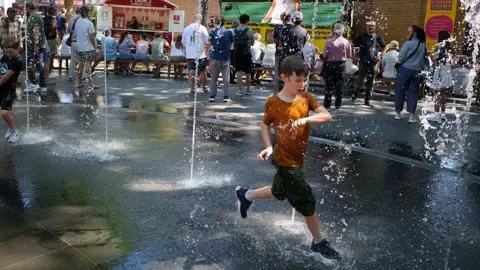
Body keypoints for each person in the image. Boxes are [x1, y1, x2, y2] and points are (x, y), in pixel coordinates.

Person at [235, 55, 341, 261]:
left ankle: (245, 195)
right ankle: (319, 242)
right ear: (284, 77)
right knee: (306, 198)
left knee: (279, 191)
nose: (302, 85)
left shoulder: (306, 98)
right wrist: (268, 146)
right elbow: (265, 124)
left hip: (297, 157)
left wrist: (305, 119)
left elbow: (327, 116)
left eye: (304, 80)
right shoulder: (273, 102)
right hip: (285, 159)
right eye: (297, 81)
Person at [394, 25, 428, 123]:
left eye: (409, 31)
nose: (407, 33)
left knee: (400, 91)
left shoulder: (408, 44)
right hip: (417, 71)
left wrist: (399, 62)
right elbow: (424, 59)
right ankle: (411, 115)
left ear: (415, 33)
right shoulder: (423, 45)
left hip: (405, 69)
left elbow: (400, 57)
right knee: (413, 93)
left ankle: (398, 113)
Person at [351, 21, 386, 106]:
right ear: (366, 27)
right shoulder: (362, 36)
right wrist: (354, 57)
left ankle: (367, 101)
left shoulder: (378, 37)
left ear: (375, 27)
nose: (370, 28)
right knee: (360, 80)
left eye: (372, 26)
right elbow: (351, 44)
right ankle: (354, 97)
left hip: (373, 63)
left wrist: (380, 56)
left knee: (370, 82)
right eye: (369, 26)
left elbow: (385, 46)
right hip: (363, 62)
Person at [425, 30, 454, 122]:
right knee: (443, 95)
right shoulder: (450, 48)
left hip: (439, 73)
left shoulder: (439, 47)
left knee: (437, 94)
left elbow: (435, 59)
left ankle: (436, 114)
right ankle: (443, 114)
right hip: (447, 73)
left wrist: (432, 57)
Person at [322, 22, 352, 109]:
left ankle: (327, 104)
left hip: (330, 65)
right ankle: (338, 104)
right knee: (339, 85)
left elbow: (324, 55)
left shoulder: (329, 42)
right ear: (342, 31)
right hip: (341, 65)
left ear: (334, 31)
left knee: (329, 85)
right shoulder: (346, 42)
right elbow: (349, 54)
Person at [1, 41, 23, 143]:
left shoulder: (18, 62)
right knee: (3, 113)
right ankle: (10, 129)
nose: (8, 55)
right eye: (6, 52)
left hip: (8, 89)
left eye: (10, 52)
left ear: (17, 49)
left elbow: (6, 77)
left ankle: (14, 131)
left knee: (4, 112)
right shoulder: (5, 57)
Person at [182, 13, 209, 94]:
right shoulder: (202, 28)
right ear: (200, 19)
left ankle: (192, 88)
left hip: (190, 54)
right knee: (203, 71)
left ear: (193, 19)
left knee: (191, 71)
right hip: (200, 54)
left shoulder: (186, 28)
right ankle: (204, 87)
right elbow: (207, 40)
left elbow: (183, 42)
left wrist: (189, 47)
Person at [208, 15, 233, 103]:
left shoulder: (212, 32)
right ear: (224, 22)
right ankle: (225, 96)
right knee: (226, 78)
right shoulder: (228, 32)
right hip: (225, 57)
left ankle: (212, 96)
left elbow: (210, 44)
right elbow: (231, 44)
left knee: (213, 78)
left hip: (215, 57)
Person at [74, 6, 99, 90]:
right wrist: (95, 47)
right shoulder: (89, 23)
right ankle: (91, 84)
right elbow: (92, 37)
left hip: (80, 47)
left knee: (80, 65)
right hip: (88, 47)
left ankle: (79, 83)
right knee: (88, 67)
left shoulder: (77, 22)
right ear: (88, 13)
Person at [25, 3, 48, 93]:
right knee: (38, 64)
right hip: (37, 44)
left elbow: (36, 30)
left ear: (27, 8)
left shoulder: (34, 17)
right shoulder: (36, 16)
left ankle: (34, 83)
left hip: (34, 45)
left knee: (30, 64)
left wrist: (35, 45)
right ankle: (41, 84)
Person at [233, 14, 254, 96]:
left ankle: (239, 90)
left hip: (237, 53)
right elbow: (252, 43)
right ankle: (248, 89)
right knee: (248, 72)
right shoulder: (250, 30)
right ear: (247, 21)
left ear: (239, 20)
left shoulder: (234, 31)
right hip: (247, 53)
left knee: (238, 72)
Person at [67, 7, 81, 81]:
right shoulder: (83, 20)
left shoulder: (72, 19)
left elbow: (68, 30)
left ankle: (71, 75)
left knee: (73, 60)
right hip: (81, 42)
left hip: (73, 42)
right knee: (82, 60)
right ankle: (83, 75)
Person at [43, 6, 57, 78]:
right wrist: (53, 32)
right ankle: (49, 72)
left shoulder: (44, 18)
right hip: (51, 39)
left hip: (45, 39)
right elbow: (54, 27)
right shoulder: (53, 18)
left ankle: (46, 72)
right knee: (51, 56)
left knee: (46, 56)